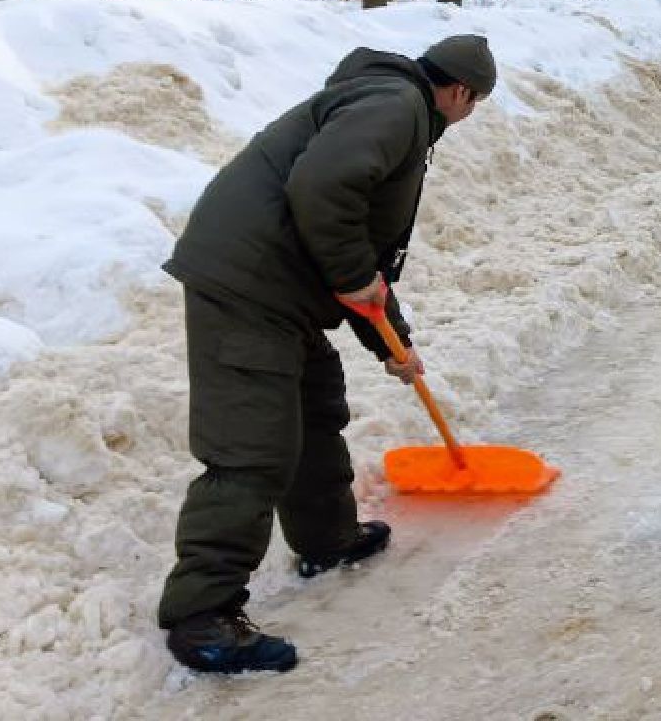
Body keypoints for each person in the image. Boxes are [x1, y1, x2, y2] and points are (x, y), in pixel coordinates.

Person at [154, 34, 497, 674]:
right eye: (474, 103)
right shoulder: (397, 107)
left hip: (282, 288)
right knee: (250, 448)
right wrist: (350, 279)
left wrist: (392, 340)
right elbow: (321, 188)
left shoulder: (394, 105)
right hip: (248, 281)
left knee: (315, 407)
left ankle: (325, 538)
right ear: (459, 92)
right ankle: (201, 617)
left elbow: (360, 251)